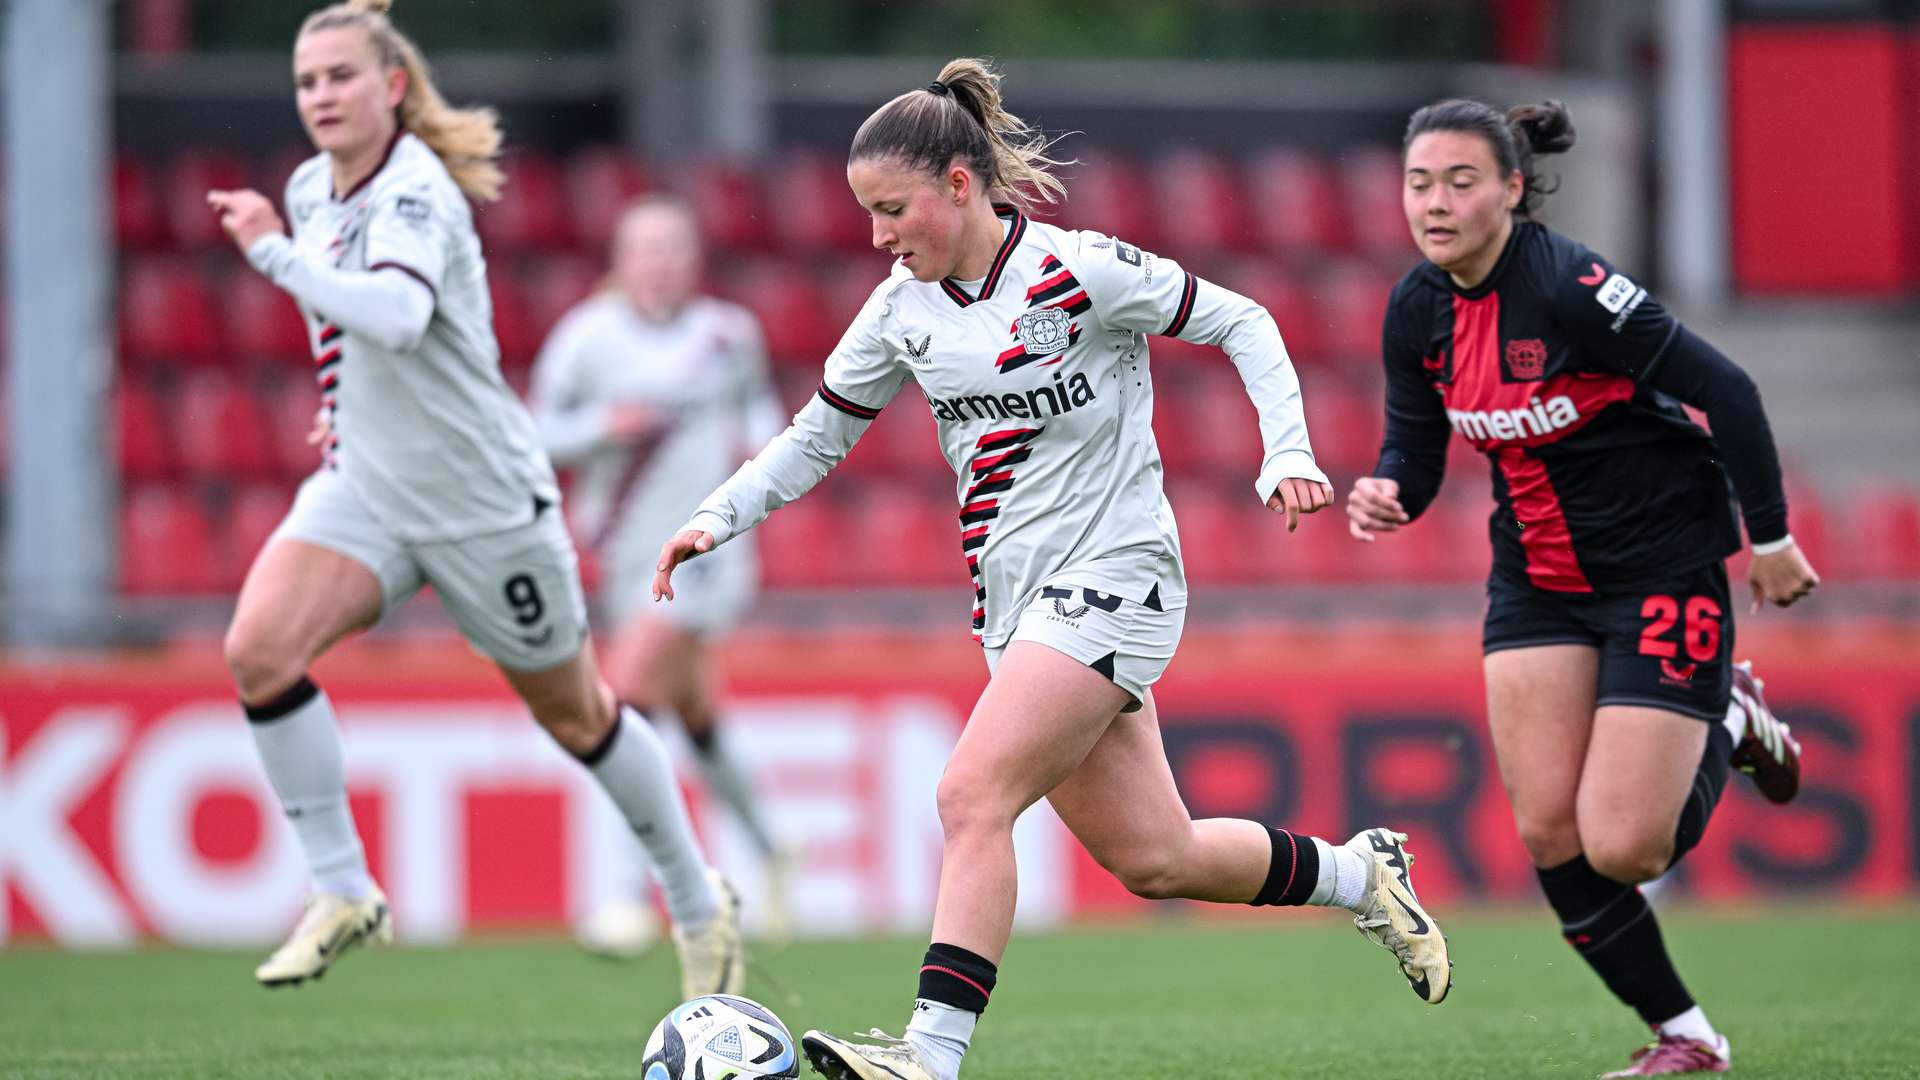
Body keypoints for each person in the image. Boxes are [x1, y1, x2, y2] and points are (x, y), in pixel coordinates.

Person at [655, 58, 1452, 1080]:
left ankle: (928, 1057)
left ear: (957, 184)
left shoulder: (1080, 270)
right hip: (1016, 604)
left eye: (891, 209)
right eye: (865, 215)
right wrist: (717, 516)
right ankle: (1361, 875)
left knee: (969, 795)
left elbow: (1242, 320)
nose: (876, 237)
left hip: (1118, 574)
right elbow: (818, 434)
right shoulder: (900, 311)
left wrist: (1287, 449)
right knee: (1156, 856)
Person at [206, 0, 742, 999]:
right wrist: (340, 405)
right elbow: (350, 338)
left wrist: (274, 255)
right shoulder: (310, 189)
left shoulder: (415, 192)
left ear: (392, 87)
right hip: (368, 482)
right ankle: (341, 888)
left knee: (580, 717)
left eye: (340, 76)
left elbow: (403, 316)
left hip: (481, 503)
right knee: (258, 648)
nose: (321, 95)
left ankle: (698, 903)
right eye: (306, 80)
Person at [1347, 98, 1815, 1077]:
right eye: (1418, 182)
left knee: (1626, 848)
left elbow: (1725, 389)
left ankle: (1729, 723)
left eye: (1461, 181)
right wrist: (1392, 487)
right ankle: (1687, 1038)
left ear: (1513, 189)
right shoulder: (1416, 309)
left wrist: (1769, 539)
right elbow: (1418, 447)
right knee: (1550, 832)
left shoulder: (1571, 288)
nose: (1434, 203)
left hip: (1661, 564)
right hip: (1538, 583)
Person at [529, 195, 794, 953]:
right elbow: (537, 433)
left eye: (673, 249)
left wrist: (758, 458)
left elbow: (765, 419)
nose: (660, 265)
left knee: (623, 708)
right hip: (622, 553)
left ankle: (623, 897)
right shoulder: (587, 338)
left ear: (693, 261)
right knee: (696, 717)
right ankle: (774, 847)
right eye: (645, 250)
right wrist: (603, 427)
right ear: (621, 261)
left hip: (705, 555)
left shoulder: (726, 334)